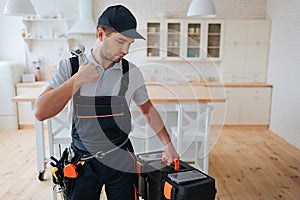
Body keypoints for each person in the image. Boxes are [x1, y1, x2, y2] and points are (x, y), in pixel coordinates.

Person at [35, 4, 179, 200]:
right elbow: (40, 111)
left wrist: (168, 143)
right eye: (121, 41)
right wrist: (77, 80)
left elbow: (147, 110)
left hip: (121, 159)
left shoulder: (131, 72)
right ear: (101, 34)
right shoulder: (70, 67)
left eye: (130, 43)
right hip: (83, 163)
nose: (126, 50)